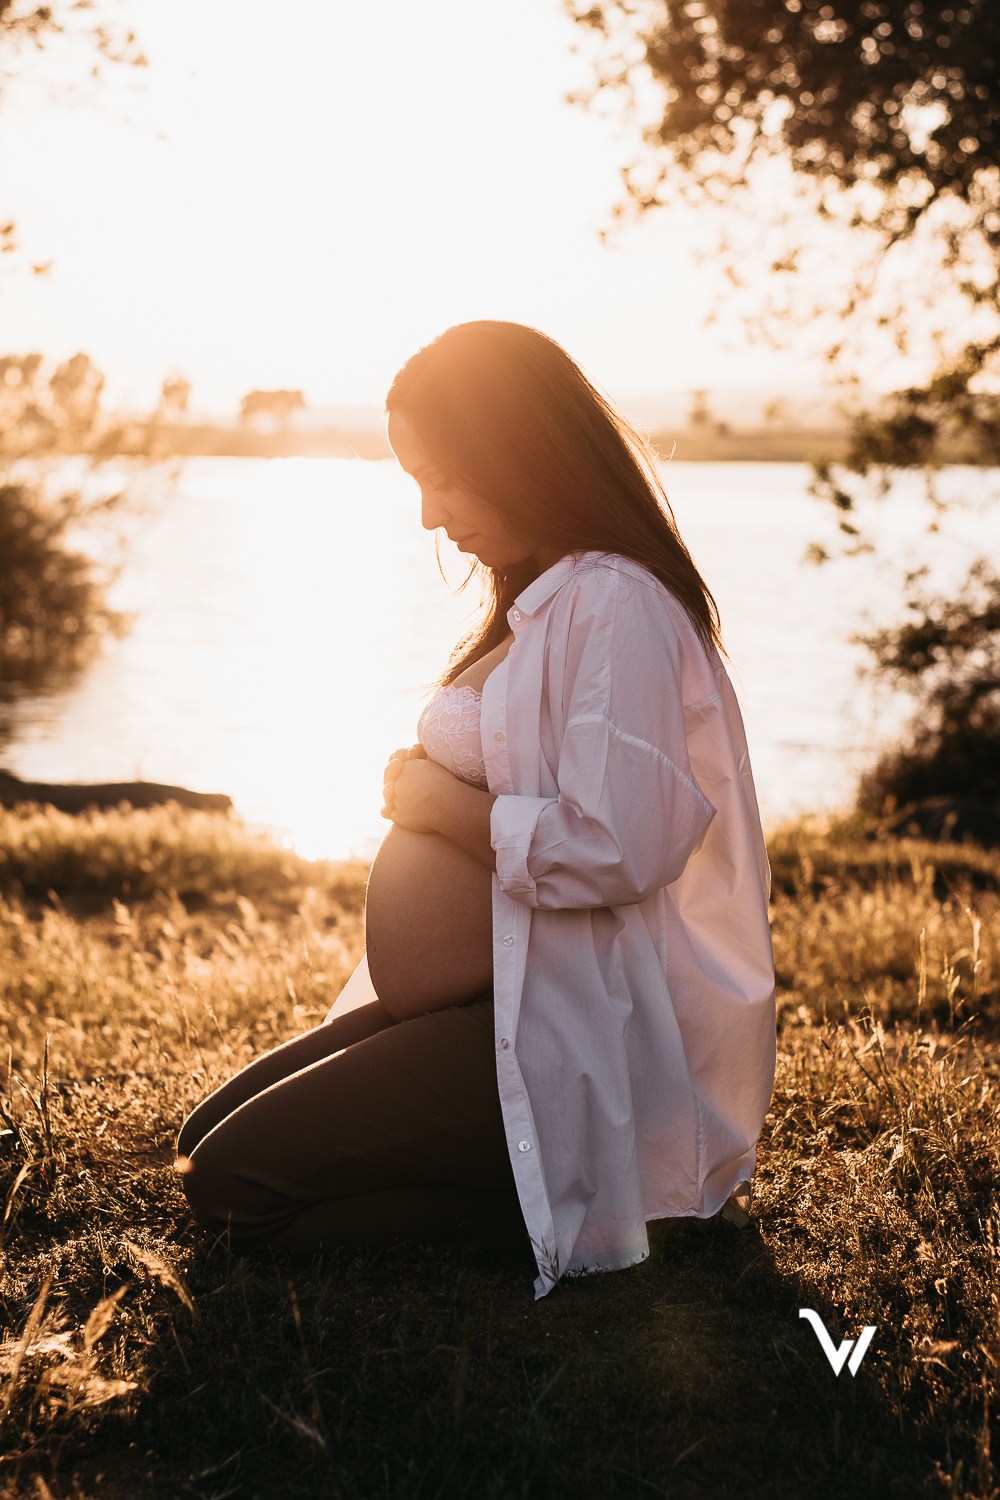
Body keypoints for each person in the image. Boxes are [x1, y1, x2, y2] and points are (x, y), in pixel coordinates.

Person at [177, 321, 776, 1298]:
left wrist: (431, 802)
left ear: (522, 454)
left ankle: (586, 1208)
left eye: (445, 478)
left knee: (236, 1188)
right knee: (201, 1136)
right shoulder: (547, 594)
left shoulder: (615, 604)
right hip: (499, 993)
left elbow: (618, 847)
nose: (427, 516)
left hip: (581, 1027)